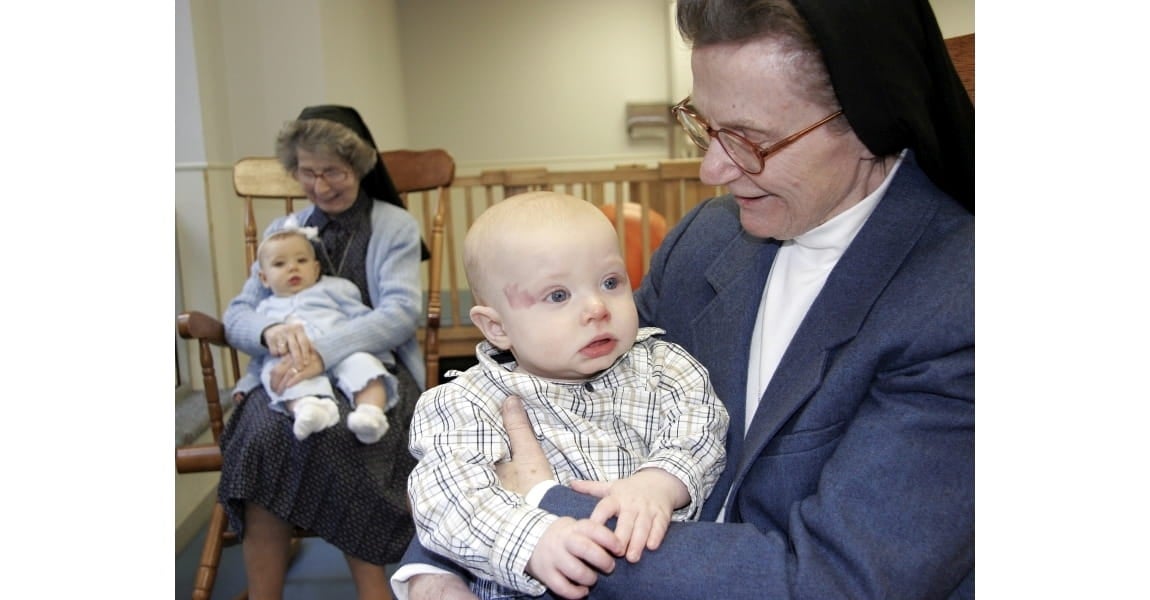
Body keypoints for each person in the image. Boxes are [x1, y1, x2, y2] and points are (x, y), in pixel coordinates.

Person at [394, 0, 974, 598]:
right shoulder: (709, 237)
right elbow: (563, 390)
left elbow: (835, 581)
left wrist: (547, 505)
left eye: (748, 139)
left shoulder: (960, 301)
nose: (711, 169)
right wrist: (437, 565)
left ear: (870, 123)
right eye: (704, 126)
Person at [406, 192, 729, 599]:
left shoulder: (664, 367)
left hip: (656, 580)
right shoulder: (465, 403)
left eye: (610, 282)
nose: (597, 307)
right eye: (558, 295)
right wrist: (533, 539)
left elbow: (702, 428)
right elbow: (447, 497)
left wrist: (661, 481)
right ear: (497, 327)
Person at [221, 105, 425, 600]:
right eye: (307, 172)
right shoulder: (283, 229)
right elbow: (238, 313)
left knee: (347, 434)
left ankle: (372, 589)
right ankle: (265, 592)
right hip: (286, 372)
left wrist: (322, 350)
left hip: (374, 368)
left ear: (359, 166)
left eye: (333, 171)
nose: (320, 185)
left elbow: (401, 313)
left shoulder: (393, 225)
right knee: (262, 436)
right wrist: (269, 331)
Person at [251, 219, 393, 444]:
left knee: (365, 366)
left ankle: (371, 413)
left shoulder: (334, 289)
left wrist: (377, 351)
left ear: (316, 268)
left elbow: (363, 319)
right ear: (264, 278)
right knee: (276, 375)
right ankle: (308, 408)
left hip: (342, 350)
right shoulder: (264, 310)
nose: (292, 267)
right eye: (279, 264)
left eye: (301, 260)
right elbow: (258, 356)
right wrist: (248, 382)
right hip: (295, 362)